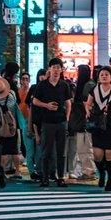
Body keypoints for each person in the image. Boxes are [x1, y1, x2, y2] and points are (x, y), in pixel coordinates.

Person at [31, 57, 71, 186]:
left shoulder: (64, 85)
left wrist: (67, 118)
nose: (56, 70)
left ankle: (60, 177)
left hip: (61, 122)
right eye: (54, 67)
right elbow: (35, 101)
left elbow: (68, 103)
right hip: (47, 122)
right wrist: (46, 105)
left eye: (58, 68)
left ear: (61, 70)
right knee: (46, 151)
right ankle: (45, 177)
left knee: (61, 151)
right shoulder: (42, 85)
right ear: (50, 69)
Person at [65, 64, 95, 182]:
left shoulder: (88, 85)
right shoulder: (87, 84)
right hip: (81, 120)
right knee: (83, 147)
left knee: (85, 147)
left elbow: (86, 102)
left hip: (83, 120)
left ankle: (89, 171)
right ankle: (87, 170)